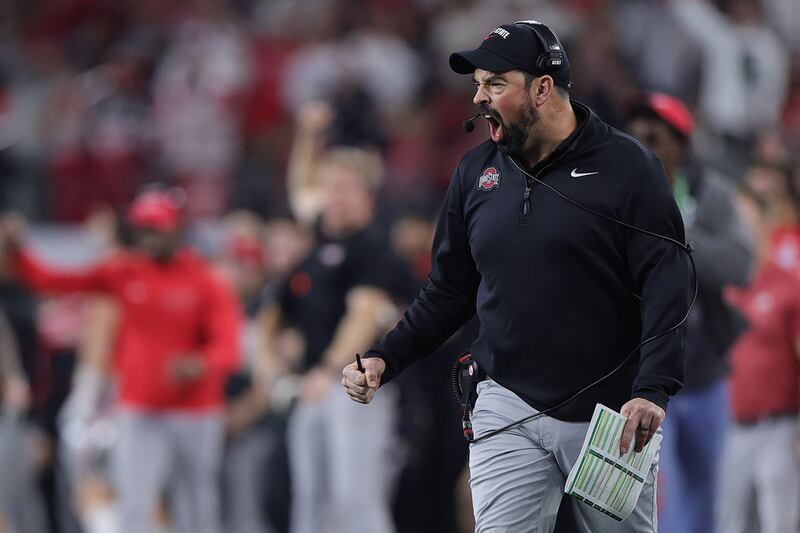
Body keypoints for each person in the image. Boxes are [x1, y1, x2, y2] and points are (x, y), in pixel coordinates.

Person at [341, 20, 689, 533]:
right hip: (505, 404)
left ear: (542, 88)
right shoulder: (474, 173)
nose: (479, 97)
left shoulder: (628, 167)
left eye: (496, 83)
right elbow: (449, 290)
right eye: (478, 84)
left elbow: (668, 282)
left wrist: (653, 388)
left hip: (610, 413)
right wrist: (386, 357)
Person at [1, 188, 242, 533]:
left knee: (197, 503)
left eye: (156, 228)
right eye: (142, 228)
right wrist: (19, 251)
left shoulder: (205, 281)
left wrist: (201, 364)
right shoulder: (125, 272)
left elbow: (228, 347)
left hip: (196, 410)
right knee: (134, 500)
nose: (148, 236)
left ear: (177, 229)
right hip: (139, 409)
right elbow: (53, 280)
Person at [262, 146, 410, 533]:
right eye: (331, 187)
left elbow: (364, 316)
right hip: (315, 388)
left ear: (367, 194)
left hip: (361, 389)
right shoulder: (318, 246)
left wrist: (327, 371)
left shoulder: (376, 248)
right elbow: (270, 319)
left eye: (346, 187)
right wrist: (273, 372)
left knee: (356, 502)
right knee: (310, 505)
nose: (336, 197)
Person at [626, 93, 753, 533]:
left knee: (706, 487)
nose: (644, 145)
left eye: (655, 136)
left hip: (702, 370)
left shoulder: (709, 192)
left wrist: (680, 233)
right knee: (654, 486)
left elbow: (740, 264)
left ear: (681, 144)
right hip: (642, 371)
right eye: (636, 135)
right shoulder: (619, 190)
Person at [716, 163, 800, 533]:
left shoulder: (789, 283)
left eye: (745, 220)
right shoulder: (725, 284)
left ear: (764, 225)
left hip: (779, 425)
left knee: (778, 524)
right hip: (731, 426)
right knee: (730, 523)